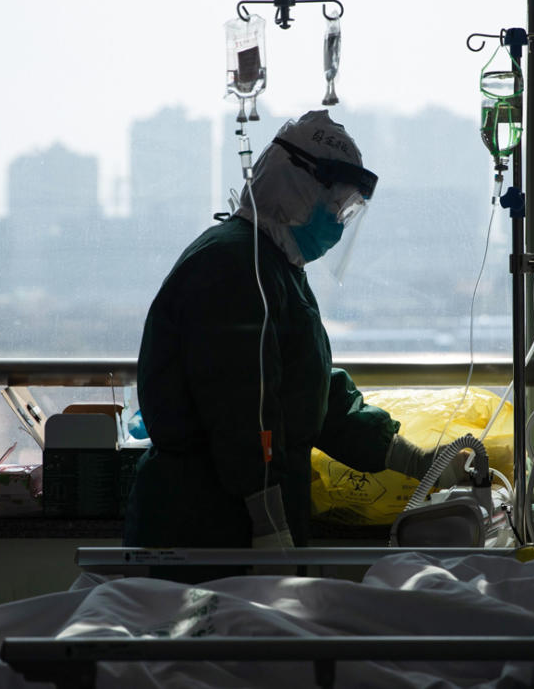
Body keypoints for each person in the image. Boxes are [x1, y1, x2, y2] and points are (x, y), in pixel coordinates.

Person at [125, 111, 467, 580]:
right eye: (337, 205)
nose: (340, 223)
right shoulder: (232, 266)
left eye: (349, 210)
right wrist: (265, 519)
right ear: (298, 189)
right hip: (208, 520)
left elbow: (309, 392)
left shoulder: (276, 268)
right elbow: (242, 409)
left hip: (251, 509)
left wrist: (414, 460)